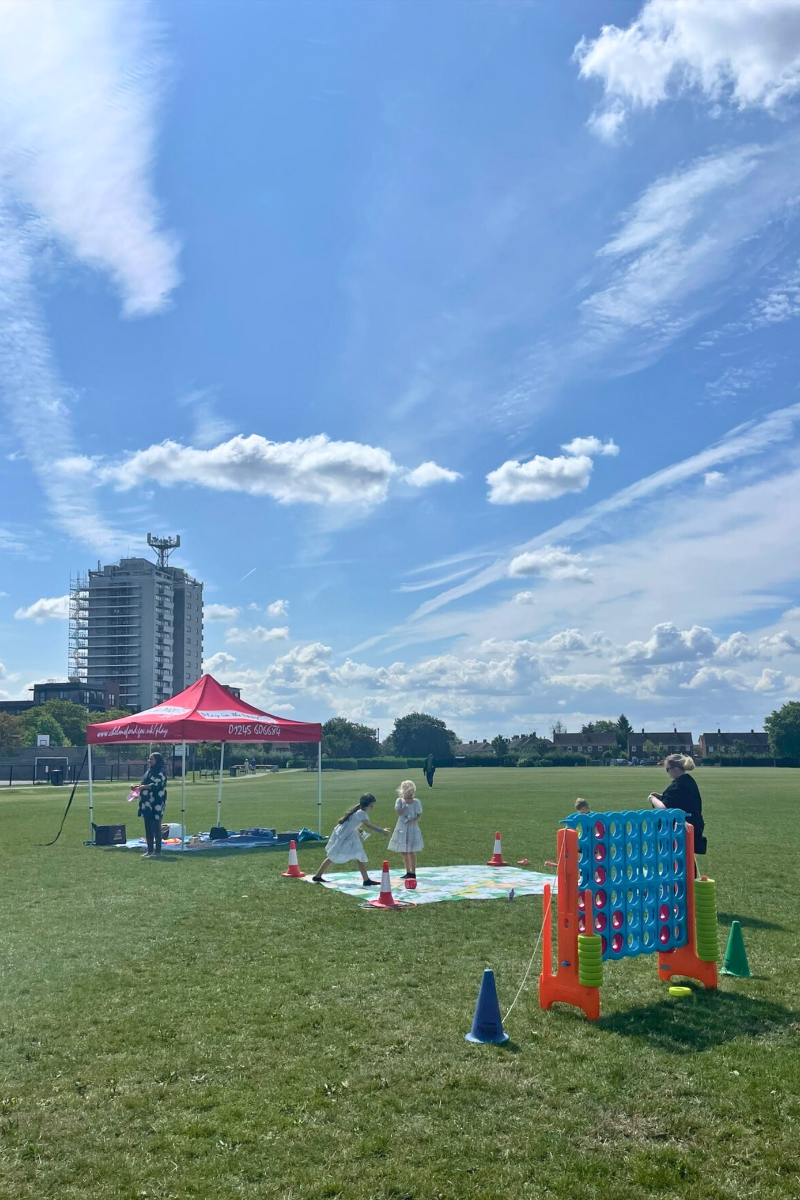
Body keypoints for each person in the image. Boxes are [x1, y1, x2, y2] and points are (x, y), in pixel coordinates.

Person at [312, 793, 390, 885]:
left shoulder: (357, 812)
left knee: (357, 855)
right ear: (366, 806)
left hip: (348, 835)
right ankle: (366, 880)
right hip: (347, 837)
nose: (372, 808)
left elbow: (352, 824)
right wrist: (381, 830)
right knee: (335, 856)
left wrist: (359, 830)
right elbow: (369, 825)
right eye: (371, 806)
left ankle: (366, 879)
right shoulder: (362, 814)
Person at [648, 754, 706, 873]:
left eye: (667, 769)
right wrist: (661, 796)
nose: (667, 772)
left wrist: (652, 799)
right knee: (687, 860)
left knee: (675, 861)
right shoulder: (689, 781)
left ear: (675, 768)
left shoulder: (678, 785)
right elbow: (677, 801)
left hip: (677, 831)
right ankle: (690, 885)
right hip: (690, 828)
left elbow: (664, 809)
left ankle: (675, 887)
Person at [388, 779, 424, 879]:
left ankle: (413, 872)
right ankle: (407, 871)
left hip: (412, 827)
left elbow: (419, 815)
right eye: (409, 791)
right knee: (404, 850)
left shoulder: (416, 802)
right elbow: (399, 813)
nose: (411, 793)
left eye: (413, 791)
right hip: (402, 827)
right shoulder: (399, 801)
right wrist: (404, 804)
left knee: (411, 850)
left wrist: (413, 821)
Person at [138, 752, 168, 859]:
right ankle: (150, 850)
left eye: (152, 759)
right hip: (147, 803)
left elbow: (155, 785)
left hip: (157, 803)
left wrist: (142, 787)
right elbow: (144, 784)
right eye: (149, 758)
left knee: (156, 826)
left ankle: (158, 851)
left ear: (157, 761)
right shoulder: (148, 772)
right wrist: (137, 788)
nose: (149, 761)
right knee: (148, 827)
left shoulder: (161, 772)